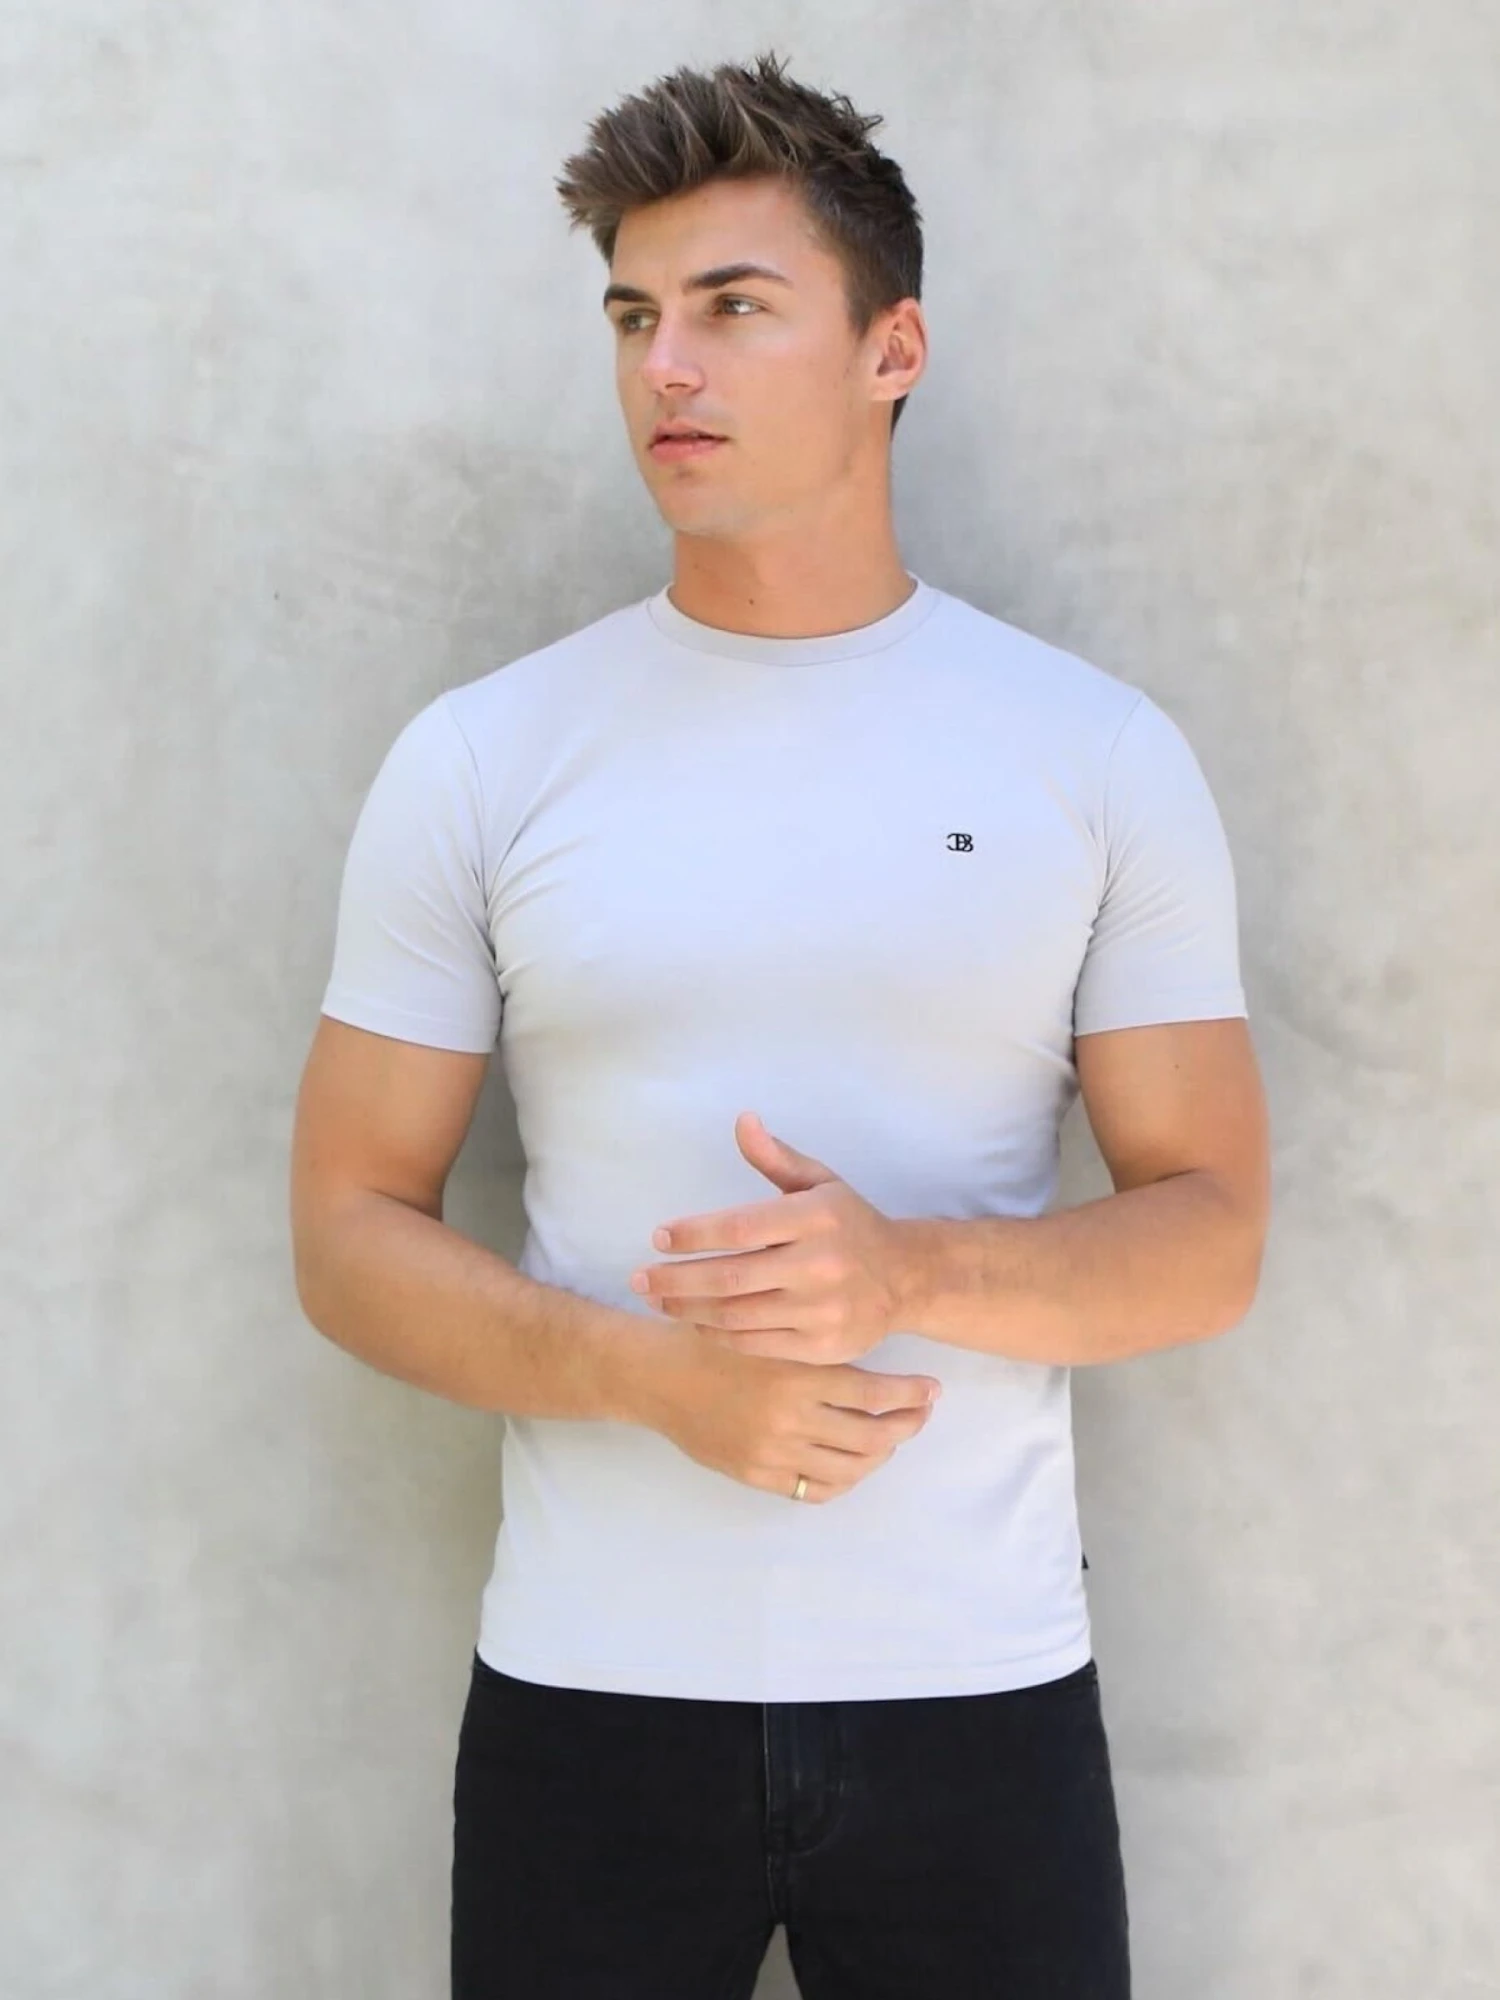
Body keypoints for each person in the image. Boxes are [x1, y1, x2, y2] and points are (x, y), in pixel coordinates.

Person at [290, 47, 1271, 2000]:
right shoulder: (485, 758)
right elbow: (345, 1232)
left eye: (734, 307)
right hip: (589, 1702)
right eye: (633, 317)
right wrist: (656, 1378)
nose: (668, 368)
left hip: (980, 1702)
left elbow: (1212, 1234)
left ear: (893, 347)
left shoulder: (1094, 755)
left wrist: (905, 1269)